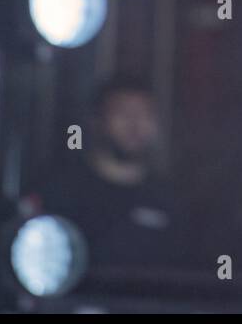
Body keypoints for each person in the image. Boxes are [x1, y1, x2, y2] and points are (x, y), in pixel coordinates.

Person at [25, 77, 197, 274]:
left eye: (145, 114)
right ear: (97, 121)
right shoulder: (61, 191)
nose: (135, 125)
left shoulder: (172, 200)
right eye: (123, 113)